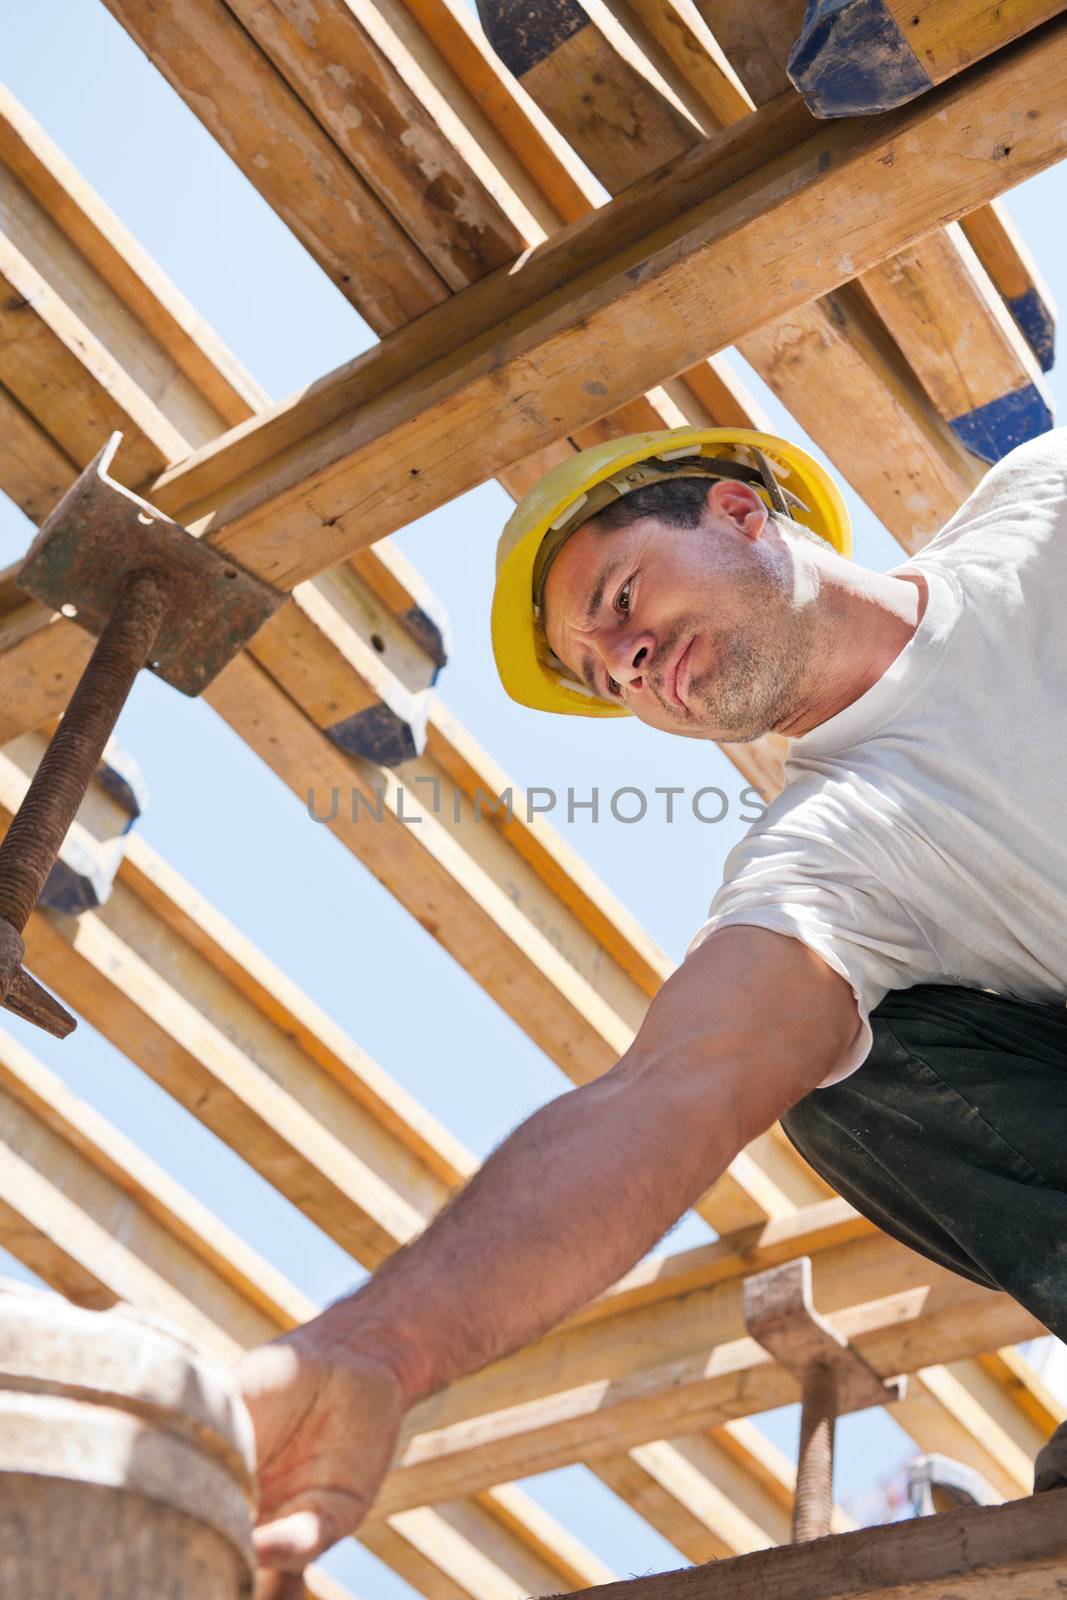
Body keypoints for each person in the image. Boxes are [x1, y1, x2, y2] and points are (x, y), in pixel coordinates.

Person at [239, 425, 1067, 1589]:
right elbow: (666, 1090)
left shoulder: (1040, 507)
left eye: (618, 598)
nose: (626, 661)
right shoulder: (831, 861)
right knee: (850, 1086)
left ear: (738, 512)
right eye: (601, 673)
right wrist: (377, 1347)